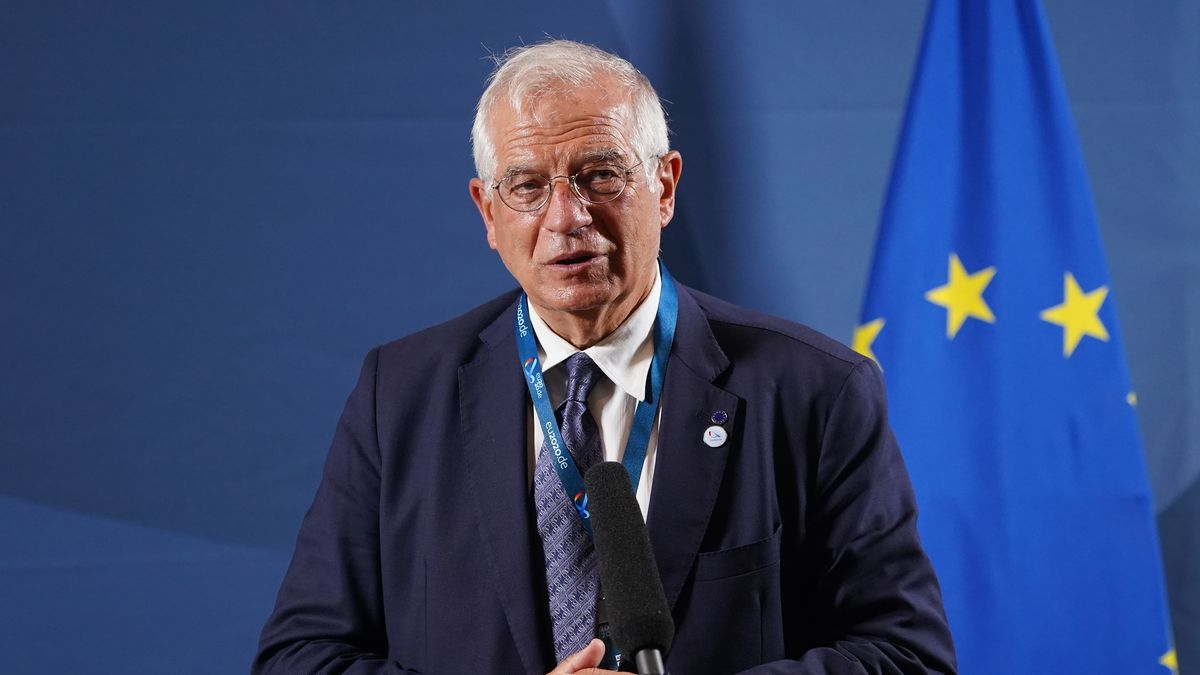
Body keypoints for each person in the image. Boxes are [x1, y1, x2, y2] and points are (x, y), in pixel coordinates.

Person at [253, 40, 956, 674]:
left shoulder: (816, 392)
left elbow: (907, 655)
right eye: (527, 186)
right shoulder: (400, 395)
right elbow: (300, 657)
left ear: (665, 187)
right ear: (488, 213)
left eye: (600, 176)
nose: (567, 217)